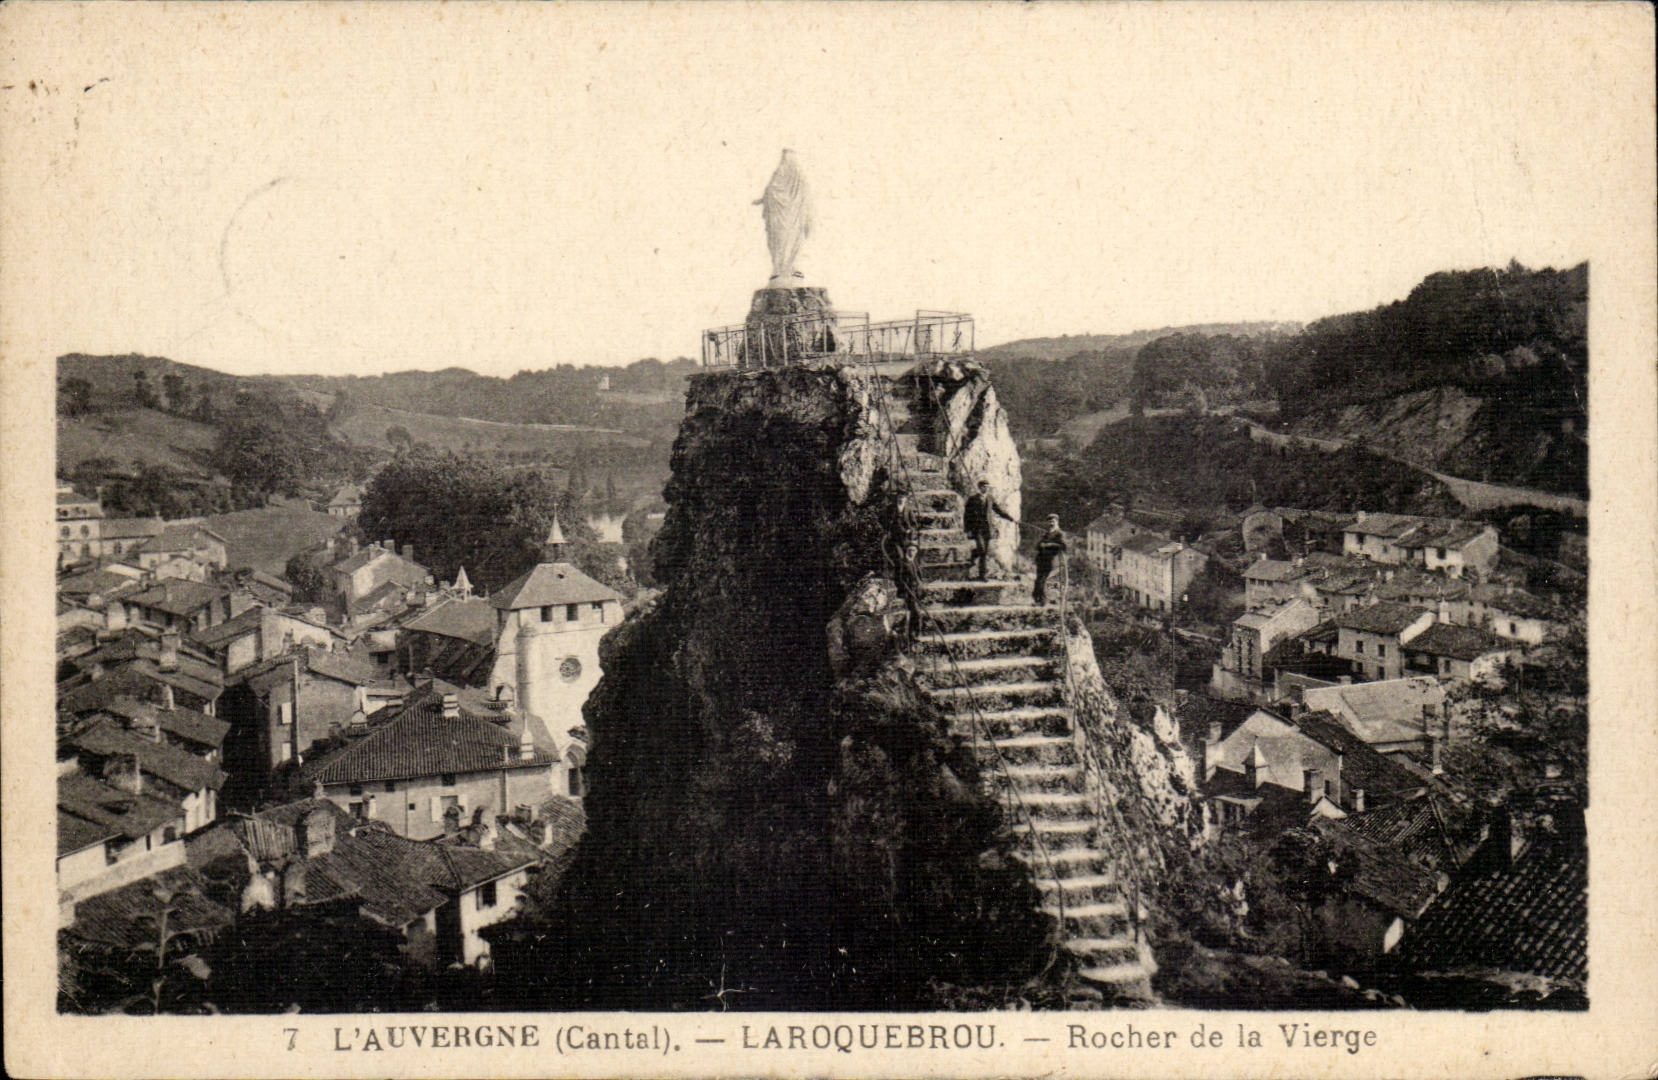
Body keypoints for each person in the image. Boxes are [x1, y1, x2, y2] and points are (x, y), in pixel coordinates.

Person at [963, 480, 1015, 581]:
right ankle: (980, 569)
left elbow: (999, 510)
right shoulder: (972, 499)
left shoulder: (990, 498)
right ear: (980, 487)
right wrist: (967, 529)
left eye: (987, 487)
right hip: (977, 529)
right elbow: (967, 515)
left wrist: (1011, 518)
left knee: (984, 552)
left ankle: (981, 574)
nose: (986, 488)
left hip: (987, 529)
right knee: (982, 551)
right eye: (984, 487)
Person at [1033, 514, 1068, 605]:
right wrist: (1040, 545)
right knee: (1038, 580)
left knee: (1045, 580)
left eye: (1053, 521)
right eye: (1049, 522)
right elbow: (1037, 546)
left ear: (1057, 522)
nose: (1051, 523)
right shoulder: (1046, 534)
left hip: (1051, 561)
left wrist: (1050, 545)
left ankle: (1043, 600)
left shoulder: (1059, 534)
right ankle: (1038, 599)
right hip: (1041, 560)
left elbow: (1063, 546)